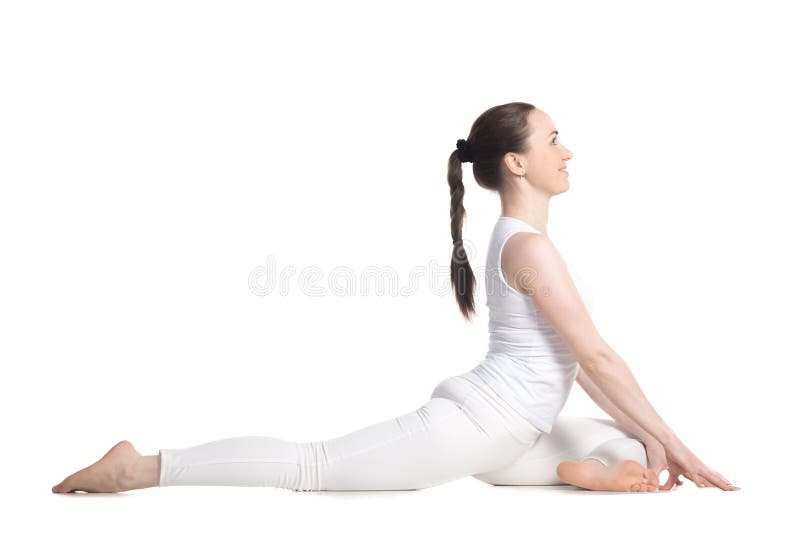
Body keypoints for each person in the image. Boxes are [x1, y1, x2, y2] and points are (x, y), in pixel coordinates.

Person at [51, 102, 739, 494]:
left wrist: (656, 439)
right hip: (480, 425)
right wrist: (682, 445)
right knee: (313, 466)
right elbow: (598, 355)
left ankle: (576, 468)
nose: (569, 150)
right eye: (554, 139)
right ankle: (139, 467)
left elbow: (581, 363)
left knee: (629, 443)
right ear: (516, 162)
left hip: (509, 431)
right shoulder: (528, 247)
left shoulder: (527, 240)